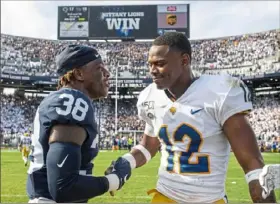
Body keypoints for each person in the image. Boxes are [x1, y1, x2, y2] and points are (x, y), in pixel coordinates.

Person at [105, 32, 276, 203]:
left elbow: (252, 164)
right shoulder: (149, 97)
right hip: (165, 195)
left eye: (160, 64)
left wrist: (260, 194)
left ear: (184, 60)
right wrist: (127, 162)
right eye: (150, 64)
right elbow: (148, 146)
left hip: (209, 199)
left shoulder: (218, 93)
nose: (152, 71)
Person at [27, 45, 131, 203]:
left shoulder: (68, 100)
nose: (107, 74)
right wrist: (115, 180)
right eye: (99, 68)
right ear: (79, 73)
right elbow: (64, 187)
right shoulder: (73, 100)